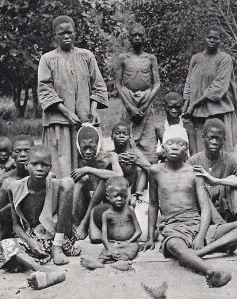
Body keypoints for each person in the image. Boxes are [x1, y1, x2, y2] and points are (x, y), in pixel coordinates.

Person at [140, 131, 237, 288]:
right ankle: (211, 271)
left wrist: (200, 236)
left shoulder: (195, 172)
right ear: (163, 147)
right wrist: (150, 238)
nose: (174, 147)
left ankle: (198, 254)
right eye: (170, 143)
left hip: (199, 225)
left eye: (180, 144)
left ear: (186, 149)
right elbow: (153, 204)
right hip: (174, 227)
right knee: (173, 245)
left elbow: (205, 208)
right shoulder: (155, 171)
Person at [0, 146, 77, 289]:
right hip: (34, 239)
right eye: (35, 164)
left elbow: (66, 211)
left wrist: (57, 243)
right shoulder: (15, 187)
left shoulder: (55, 185)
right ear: (26, 165)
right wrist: (30, 242)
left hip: (57, 236)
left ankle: (56, 249)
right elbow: (16, 226)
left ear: (50, 167)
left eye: (44, 165)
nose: (39, 168)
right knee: (1, 247)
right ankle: (44, 272)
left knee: (68, 181)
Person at [38, 15, 108, 178]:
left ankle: (88, 202)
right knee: (61, 167)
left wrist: (93, 109)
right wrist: (67, 113)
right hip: (59, 123)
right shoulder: (47, 59)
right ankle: (63, 200)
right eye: (62, 34)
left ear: (76, 33)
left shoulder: (86, 56)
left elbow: (97, 84)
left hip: (85, 124)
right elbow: (45, 89)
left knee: (89, 164)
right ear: (55, 36)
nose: (66, 36)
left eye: (70, 32)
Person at [183, 25, 237, 155]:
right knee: (200, 148)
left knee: (221, 149)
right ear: (205, 38)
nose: (212, 40)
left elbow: (218, 86)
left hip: (218, 110)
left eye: (216, 38)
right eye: (210, 37)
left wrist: (195, 104)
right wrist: (186, 106)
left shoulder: (225, 59)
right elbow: (189, 82)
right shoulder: (196, 58)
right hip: (197, 113)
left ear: (220, 40)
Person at [187, 119, 237, 222]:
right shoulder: (194, 161)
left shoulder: (231, 159)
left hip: (226, 210)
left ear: (224, 139)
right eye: (211, 138)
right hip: (202, 212)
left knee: (235, 185)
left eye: (218, 139)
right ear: (203, 137)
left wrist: (216, 181)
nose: (214, 142)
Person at [115, 22, 161, 163]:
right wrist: (129, 107)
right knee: (125, 138)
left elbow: (157, 83)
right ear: (129, 38)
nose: (137, 38)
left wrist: (146, 104)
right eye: (134, 35)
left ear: (145, 37)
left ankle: (149, 172)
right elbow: (117, 83)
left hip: (146, 100)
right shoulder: (123, 58)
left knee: (148, 139)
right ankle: (128, 174)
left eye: (140, 35)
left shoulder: (150, 58)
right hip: (128, 100)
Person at [72, 125, 124, 240]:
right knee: (81, 180)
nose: (88, 152)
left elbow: (119, 175)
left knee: (105, 179)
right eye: (84, 148)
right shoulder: (75, 158)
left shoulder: (110, 156)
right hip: (83, 203)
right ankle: (74, 222)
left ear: (98, 145)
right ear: (78, 146)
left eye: (92, 148)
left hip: (102, 204)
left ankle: (84, 224)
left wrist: (88, 169)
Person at [80, 177, 141, 270]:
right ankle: (98, 262)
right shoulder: (106, 214)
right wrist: (109, 248)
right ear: (108, 196)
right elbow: (104, 237)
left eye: (123, 196)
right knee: (105, 252)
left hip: (130, 242)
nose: (120, 199)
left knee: (132, 249)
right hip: (113, 242)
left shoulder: (129, 210)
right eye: (116, 196)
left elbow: (138, 231)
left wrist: (128, 242)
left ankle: (122, 262)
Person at [0, 136, 35, 246]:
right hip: (11, 219)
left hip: (34, 222)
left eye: (27, 150)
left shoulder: (41, 175)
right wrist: (9, 208)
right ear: (11, 154)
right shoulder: (2, 179)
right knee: (8, 184)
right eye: (18, 151)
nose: (22, 154)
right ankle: (4, 229)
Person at [111, 121, 151, 206]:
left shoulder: (135, 152)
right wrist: (115, 159)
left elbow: (151, 169)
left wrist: (136, 161)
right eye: (117, 133)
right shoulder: (111, 154)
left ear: (129, 138)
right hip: (116, 189)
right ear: (111, 137)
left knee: (141, 169)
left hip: (133, 188)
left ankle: (137, 195)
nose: (121, 136)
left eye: (124, 134)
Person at [156, 92, 188, 162]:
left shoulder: (187, 126)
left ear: (182, 106)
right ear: (164, 107)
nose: (174, 110)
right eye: (170, 107)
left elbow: (192, 152)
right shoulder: (159, 128)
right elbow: (153, 152)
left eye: (177, 107)